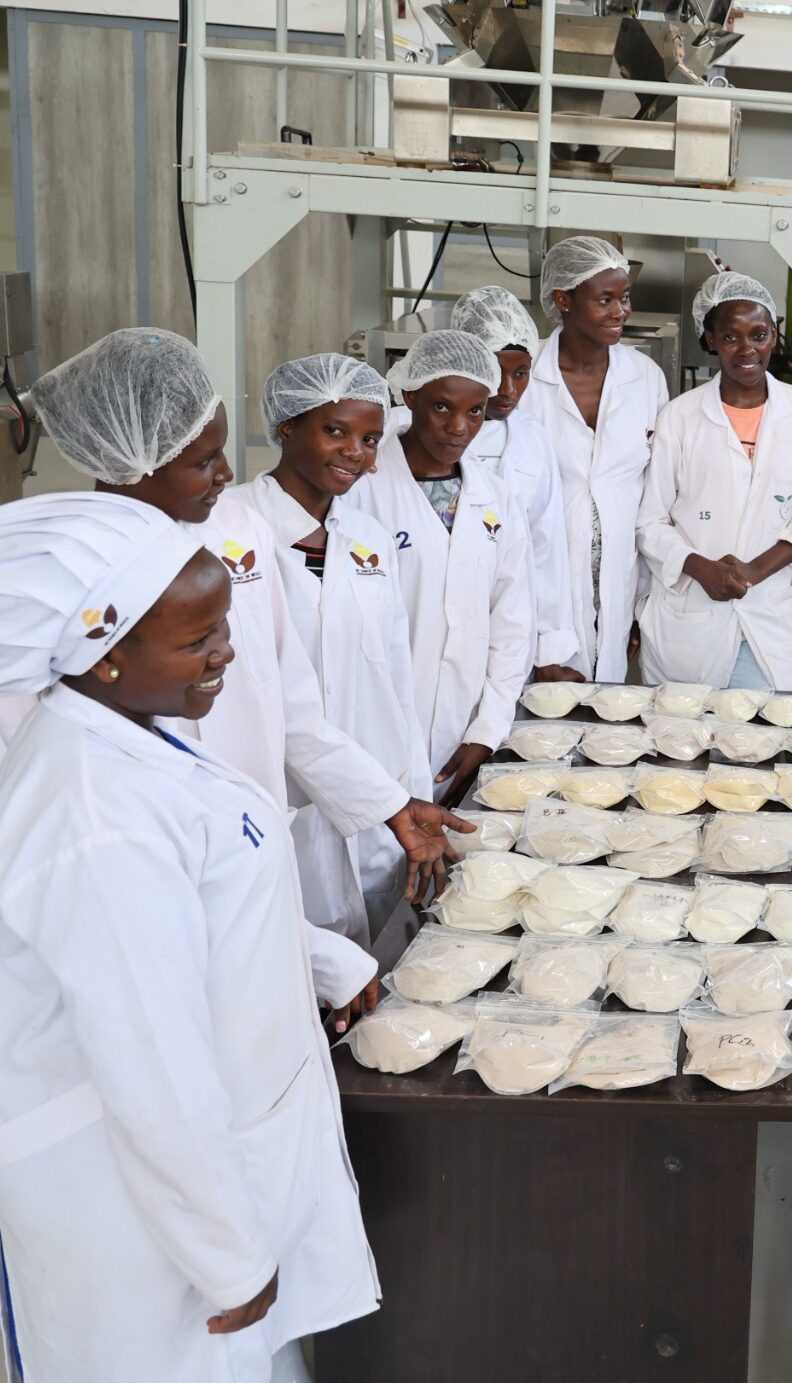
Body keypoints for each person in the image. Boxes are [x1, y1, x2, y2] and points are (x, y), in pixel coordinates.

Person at [0, 329, 463, 1119]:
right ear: (128, 463)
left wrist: (389, 804)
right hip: (131, 919)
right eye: (203, 460)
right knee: (153, 1106)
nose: (228, 475)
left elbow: (295, 712)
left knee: (253, 1092)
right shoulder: (59, 597)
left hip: (246, 878)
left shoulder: (239, 537)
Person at [0, 494, 382, 1383]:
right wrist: (227, 1251)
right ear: (103, 656)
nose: (227, 652)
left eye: (222, 624)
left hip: (196, 1176)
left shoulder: (137, 736)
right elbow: (150, 1062)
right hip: (132, 1206)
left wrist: (327, 960)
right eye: (199, 637)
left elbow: (205, 903)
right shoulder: (95, 815)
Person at [239, 354, 431, 943]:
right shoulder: (235, 530)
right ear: (287, 426)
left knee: (370, 970)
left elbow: (398, 681)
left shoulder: (367, 539)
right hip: (278, 798)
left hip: (377, 801)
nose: (356, 451)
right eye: (336, 431)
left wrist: (410, 792)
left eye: (370, 439)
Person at [637, 271, 792, 689]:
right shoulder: (679, 417)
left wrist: (753, 570)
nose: (747, 348)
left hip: (767, 615)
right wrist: (700, 568)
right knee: (680, 742)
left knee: (754, 744)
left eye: (760, 334)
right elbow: (650, 522)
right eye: (731, 337)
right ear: (710, 340)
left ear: (774, 337)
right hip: (689, 618)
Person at [351, 330, 535, 804]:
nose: (459, 427)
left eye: (475, 411)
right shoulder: (361, 489)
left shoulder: (495, 497)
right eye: (441, 408)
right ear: (410, 396)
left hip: (463, 728)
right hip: (370, 727)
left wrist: (488, 729)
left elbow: (512, 623)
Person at [518, 236, 671, 682]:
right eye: (605, 300)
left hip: (621, 584)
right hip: (541, 587)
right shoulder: (525, 378)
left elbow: (653, 493)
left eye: (624, 298)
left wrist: (641, 606)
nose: (620, 311)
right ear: (562, 300)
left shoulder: (644, 377)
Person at [449, 285, 579, 679]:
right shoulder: (414, 434)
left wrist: (548, 650)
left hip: (511, 624)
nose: (508, 390)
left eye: (521, 374)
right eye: (494, 372)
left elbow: (547, 548)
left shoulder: (531, 439)